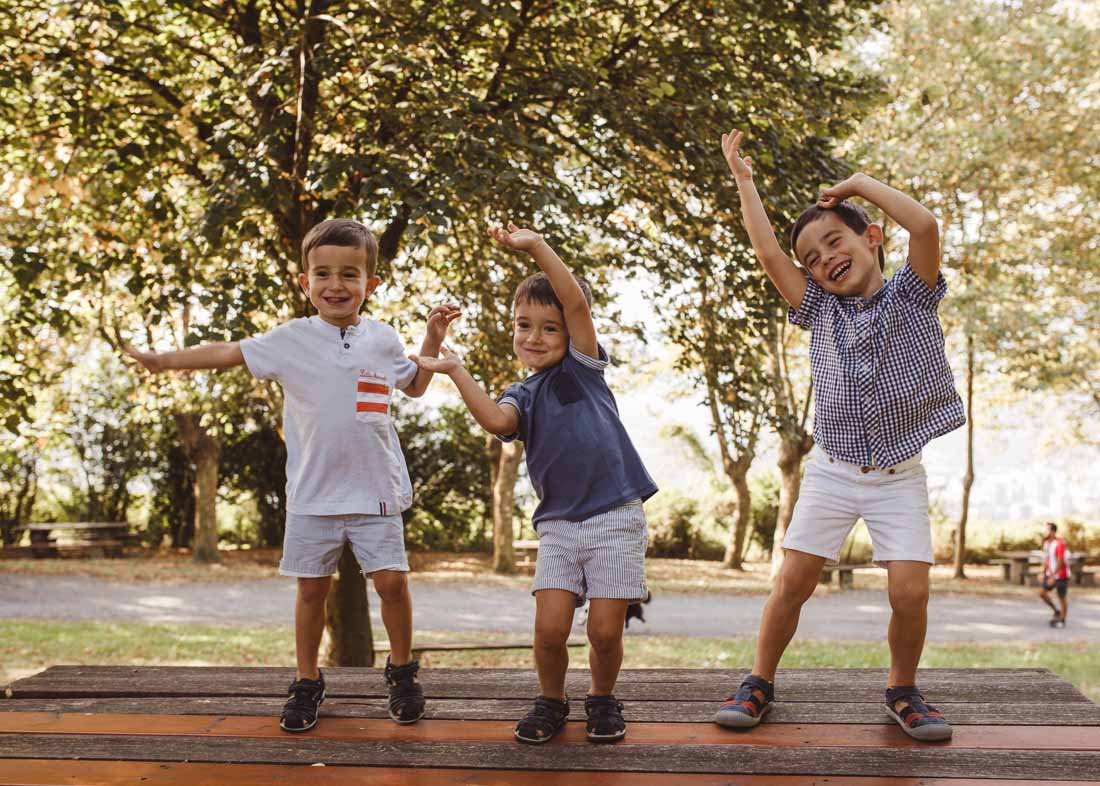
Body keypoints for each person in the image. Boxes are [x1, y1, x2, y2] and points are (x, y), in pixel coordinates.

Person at [124, 218, 460, 733]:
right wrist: (162, 361)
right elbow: (228, 353)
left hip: (376, 491)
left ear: (371, 284)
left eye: (350, 274)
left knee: (392, 583)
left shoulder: (384, 339)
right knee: (310, 592)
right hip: (312, 495)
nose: (336, 285)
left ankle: (401, 671)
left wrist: (433, 335)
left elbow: (414, 384)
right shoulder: (291, 340)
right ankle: (307, 680)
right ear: (305, 283)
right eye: (322, 274)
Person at [713, 130, 964, 742]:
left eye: (836, 240)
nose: (825, 258)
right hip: (832, 470)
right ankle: (758, 682)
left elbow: (925, 227)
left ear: (870, 238)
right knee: (792, 582)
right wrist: (746, 183)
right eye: (814, 258)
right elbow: (771, 254)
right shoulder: (818, 311)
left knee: (910, 592)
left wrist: (855, 187)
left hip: (898, 475)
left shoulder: (913, 295)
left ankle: (902, 690)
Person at [412, 222, 657, 744]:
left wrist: (536, 247)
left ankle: (602, 697)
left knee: (604, 631)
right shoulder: (519, 394)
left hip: (616, 518)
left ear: (569, 334)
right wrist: (455, 370)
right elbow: (498, 424)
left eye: (549, 327)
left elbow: (576, 303)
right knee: (548, 630)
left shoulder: (584, 370)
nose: (535, 337)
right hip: (559, 526)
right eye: (524, 326)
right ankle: (551, 701)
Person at [1039, 522, 1069, 627]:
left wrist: (1053, 577)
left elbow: (1060, 561)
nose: (1044, 531)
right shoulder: (1046, 543)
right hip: (1050, 574)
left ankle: (1062, 619)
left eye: (1046, 529)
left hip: (1061, 574)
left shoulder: (1059, 543)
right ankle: (1056, 611)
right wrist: (1044, 573)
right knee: (1042, 593)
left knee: (1062, 597)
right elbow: (1047, 559)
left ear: (1052, 531)